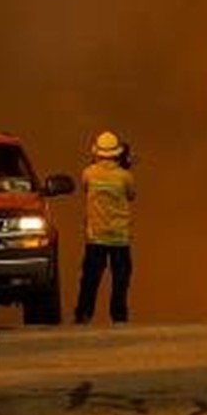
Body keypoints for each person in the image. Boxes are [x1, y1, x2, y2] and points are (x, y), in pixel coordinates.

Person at [73, 130, 136, 325]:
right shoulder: (125, 176)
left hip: (96, 236)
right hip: (119, 236)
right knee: (120, 280)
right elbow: (131, 195)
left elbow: (85, 188)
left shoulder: (88, 173)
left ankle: (83, 314)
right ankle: (119, 316)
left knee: (90, 279)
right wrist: (125, 168)